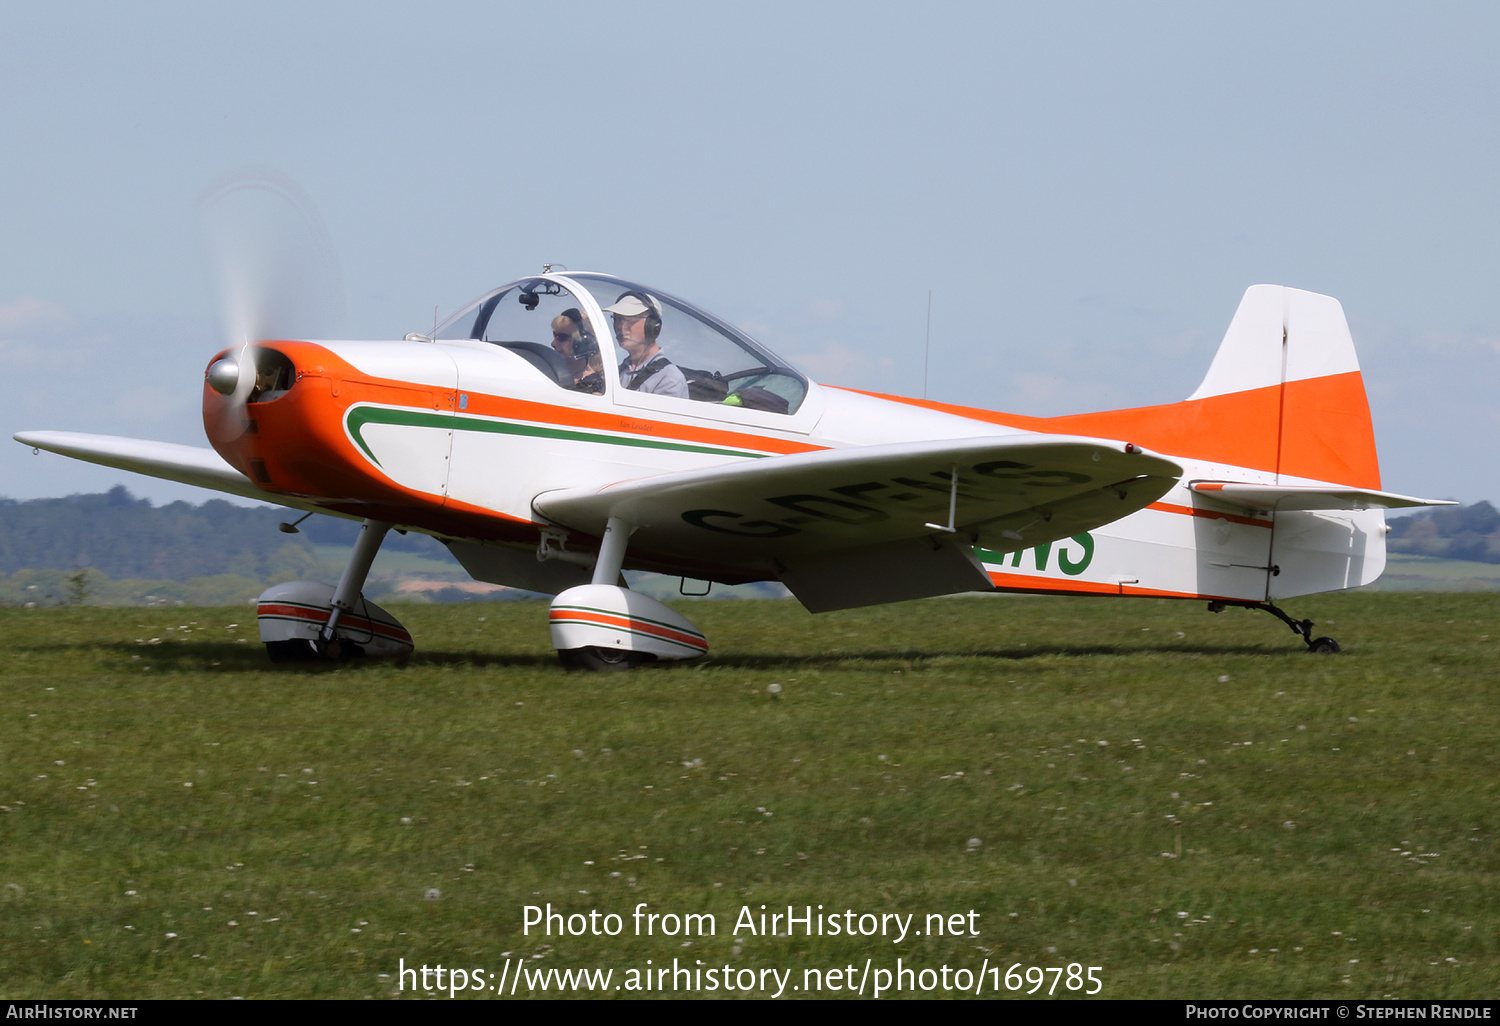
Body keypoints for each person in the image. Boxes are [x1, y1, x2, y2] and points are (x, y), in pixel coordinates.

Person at [604, 292, 689, 398]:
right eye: (617, 319)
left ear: (652, 326)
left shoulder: (669, 378)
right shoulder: (617, 373)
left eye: (629, 319)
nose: (620, 327)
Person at [550, 308, 604, 393]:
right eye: (554, 336)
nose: (553, 343)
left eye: (561, 337)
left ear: (582, 344)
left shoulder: (594, 387)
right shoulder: (555, 375)